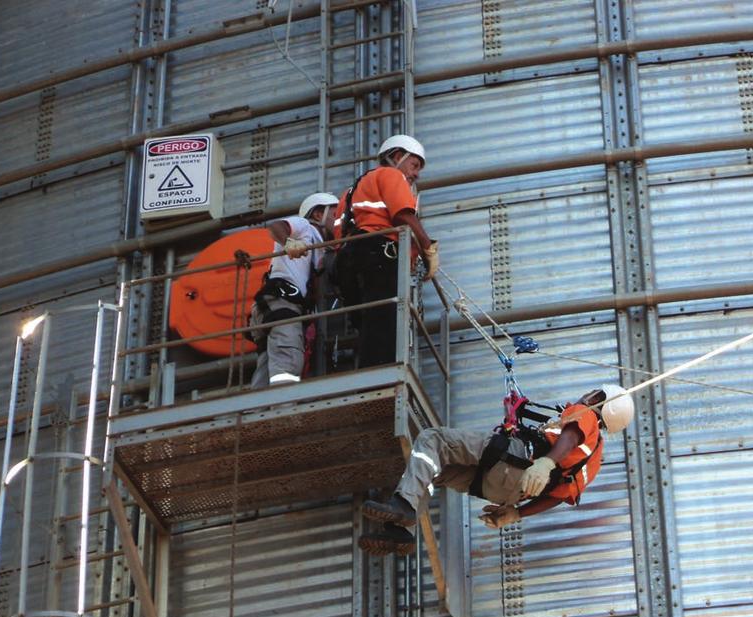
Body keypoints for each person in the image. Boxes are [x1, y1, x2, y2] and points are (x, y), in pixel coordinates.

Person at [357, 384, 636, 556]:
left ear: (600, 400)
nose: (589, 394)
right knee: (431, 471)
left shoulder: (585, 415)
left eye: (596, 393)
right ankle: (399, 531)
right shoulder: (592, 465)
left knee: (433, 440)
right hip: (506, 492)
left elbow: (571, 435)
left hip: (513, 459)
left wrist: (547, 461)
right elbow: (558, 496)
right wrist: (516, 513)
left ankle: (404, 506)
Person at [333, 134, 439, 369]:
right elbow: (403, 213)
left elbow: (338, 235)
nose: (416, 174)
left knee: (369, 326)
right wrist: (426, 246)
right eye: (414, 165)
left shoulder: (350, 193)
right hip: (376, 256)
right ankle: (379, 387)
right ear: (397, 157)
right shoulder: (391, 175)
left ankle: (370, 380)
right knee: (383, 324)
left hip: (347, 263)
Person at [249, 192, 339, 388]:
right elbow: (276, 227)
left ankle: (258, 415)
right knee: (288, 364)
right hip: (282, 304)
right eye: (334, 214)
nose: (338, 219)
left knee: (267, 369)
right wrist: (288, 242)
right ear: (318, 215)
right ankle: (282, 415)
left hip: (273, 307)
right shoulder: (305, 227)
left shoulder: (321, 247)